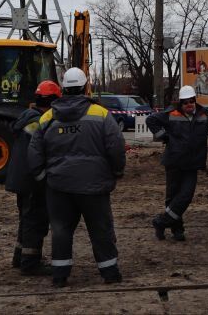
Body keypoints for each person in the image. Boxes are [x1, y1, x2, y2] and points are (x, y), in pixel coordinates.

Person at [28, 67, 126, 287]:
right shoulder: (100, 114)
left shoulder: (47, 117)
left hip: (59, 187)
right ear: (84, 87)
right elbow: (116, 146)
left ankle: (60, 276)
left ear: (63, 89)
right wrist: (117, 171)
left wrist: (43, 176)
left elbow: (34, 151)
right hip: (94, 186)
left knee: (61, 230)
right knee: (100, 229)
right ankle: (110, 273)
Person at [146, 85, 208, 242]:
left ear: (195, 100)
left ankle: (161, 222)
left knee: (186, 196)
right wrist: (163, 136)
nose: (189, 104)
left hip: (192, 163)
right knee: (172, 198)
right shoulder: (171, 113)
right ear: (181, 102)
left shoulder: (204, 114)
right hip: (174, 162)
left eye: (191, 101)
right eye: (186, 102)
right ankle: (177, 230)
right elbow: (151, 119)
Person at [6, 79, 61, 275]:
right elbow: (43, 152)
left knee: (25, 218)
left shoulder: (27, 116)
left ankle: (19, 257)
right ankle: (30, 263)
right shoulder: (41, 122)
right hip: (31, 178)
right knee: (35, 221)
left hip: (20, 177)